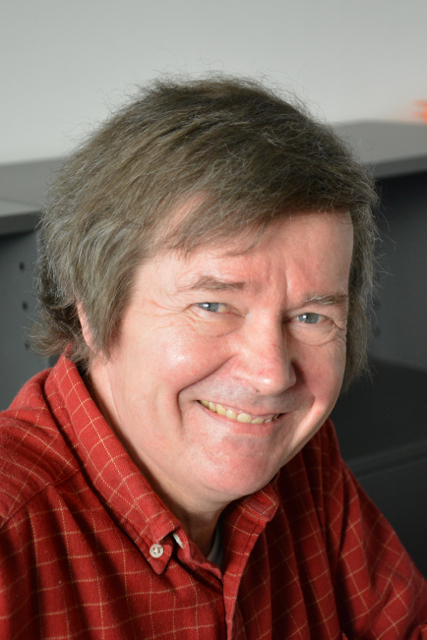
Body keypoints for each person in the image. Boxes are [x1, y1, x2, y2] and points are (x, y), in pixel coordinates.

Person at [0, 76, 426, 639]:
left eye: (310, 317)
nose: (271, 376)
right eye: (212, 305)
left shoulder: (300, 456)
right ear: (92, 313)